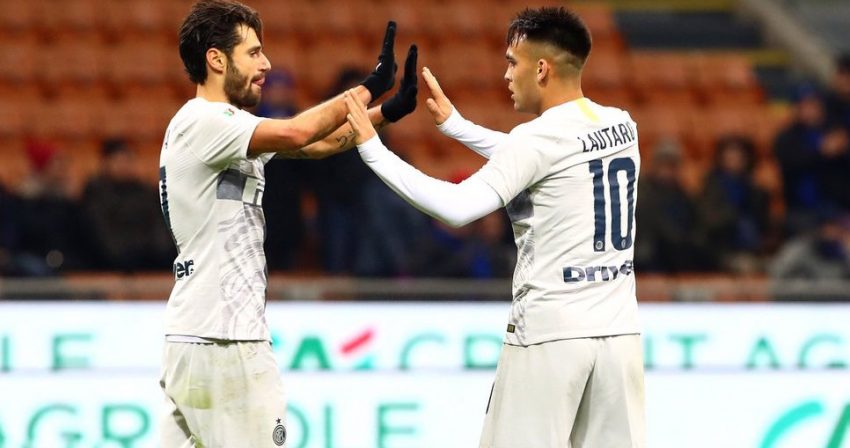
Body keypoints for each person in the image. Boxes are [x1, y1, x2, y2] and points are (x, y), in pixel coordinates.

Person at [345, 6, 644, 447]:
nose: (506, 74)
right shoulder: (622, 124)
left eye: (512, 62)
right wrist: (459, 128)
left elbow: (457, 207)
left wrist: (373, 149)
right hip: (620, 336)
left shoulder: (537, 139)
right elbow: (550, 159)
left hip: (550, 334)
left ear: (541, 69)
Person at [158, 1, 417, 446]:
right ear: (216, 59)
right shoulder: (206, 120)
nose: (266, 64)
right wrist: (368, 87)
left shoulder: (221, 128)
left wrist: (387, 111)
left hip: (193, 337)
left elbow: (315, 145)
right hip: (227, 341)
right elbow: (298, 131)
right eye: (253, 53)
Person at [81, 138, 174, 272]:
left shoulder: (145, 192)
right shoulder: (96, 194)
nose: (124, 165)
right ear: (106, 163)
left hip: (150, 259)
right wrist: (127, 255)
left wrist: (157, 251)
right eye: (118, 161)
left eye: (127, 160)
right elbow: (102, 234)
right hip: (113, 263)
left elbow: (158, 228)